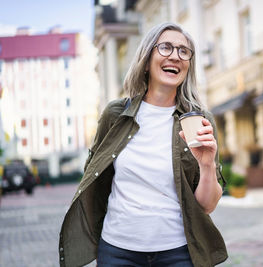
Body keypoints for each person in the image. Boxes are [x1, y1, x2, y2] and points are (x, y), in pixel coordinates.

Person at [59, 22, 227, 267]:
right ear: (147, 59)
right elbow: (94, 179)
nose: (175, 56)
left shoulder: (199, 121)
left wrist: (208, 164)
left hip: (178, 253)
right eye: (166, 47)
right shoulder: (115, 114)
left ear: (189, 65)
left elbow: (207, 205)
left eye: (183, 51)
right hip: (118, 252)